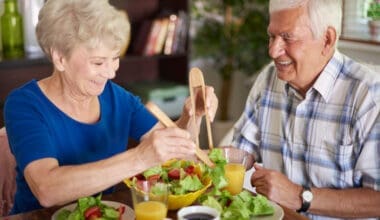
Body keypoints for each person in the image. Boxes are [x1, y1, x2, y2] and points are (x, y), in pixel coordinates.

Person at [3, 0, 218, 215]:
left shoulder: (117, 98)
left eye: (114, 58)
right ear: (60, 58)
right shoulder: (25, 104)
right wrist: (140, 158)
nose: (110, 73)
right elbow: (47, 189)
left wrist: (193, 116)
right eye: (98, 63)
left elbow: (174, 153)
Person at [231, 0, 380, 219]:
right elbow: (244, 151)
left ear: (327, 40)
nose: (273, 51)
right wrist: (195, 154)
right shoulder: (269, 79)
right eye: (271, 37)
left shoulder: (369, 97)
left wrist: (299, 196)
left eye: (287, 37)